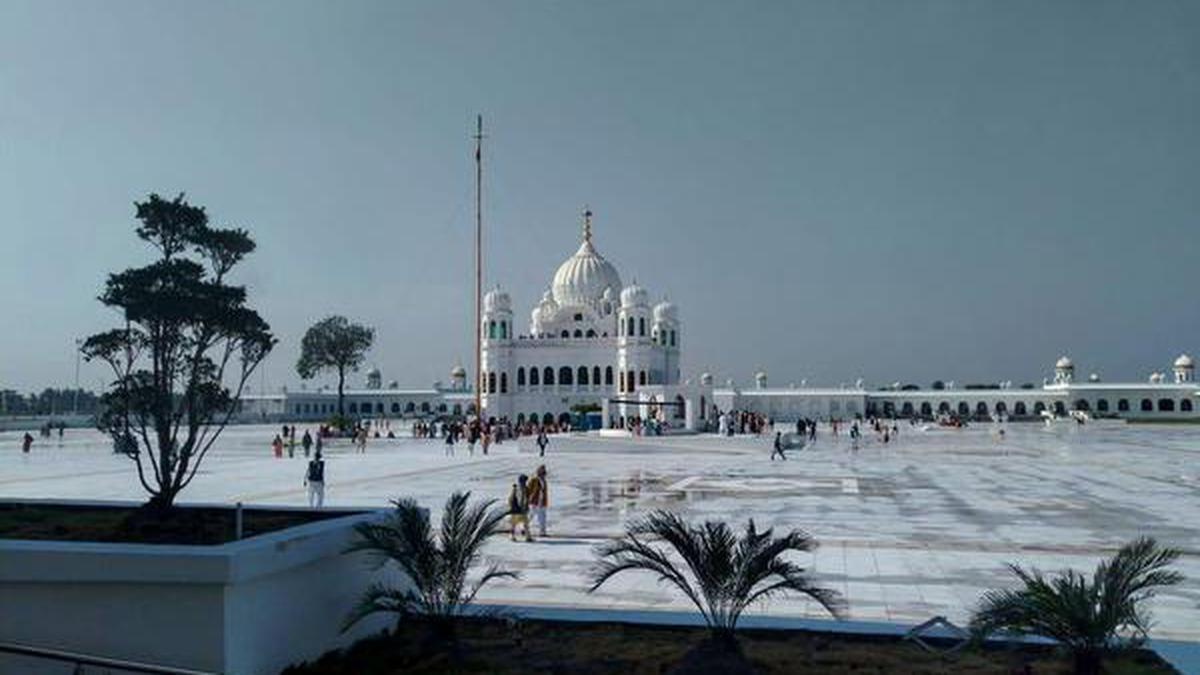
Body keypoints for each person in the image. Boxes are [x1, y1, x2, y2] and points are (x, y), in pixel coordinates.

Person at [508, 474, 533, 542]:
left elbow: (527, 499)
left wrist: (526, 507)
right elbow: (511, 499)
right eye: (523, 481)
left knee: (525, 523)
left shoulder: (526, 489)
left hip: (523, 509)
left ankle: (528, 536)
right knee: (514, 523)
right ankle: (512, 536)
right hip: (516, 509)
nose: (524, 482)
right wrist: (512, 507)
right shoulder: (516, 489)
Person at [527, 465, 549, 537]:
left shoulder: (544, 481)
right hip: (534, 501)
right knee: (531, 515)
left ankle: (542, 532)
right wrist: (528, 498)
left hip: (542, 502)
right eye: (542, 472)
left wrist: (545, 501)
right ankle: (524, 527)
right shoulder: (534, 480)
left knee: (542, 517)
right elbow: (528, 490)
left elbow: (544, 492)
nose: (543, 474)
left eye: (544, 473)